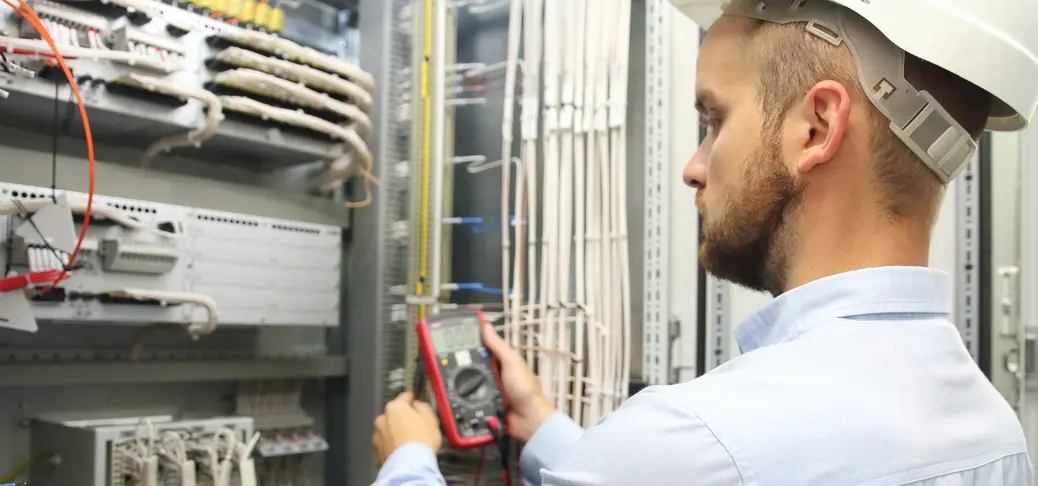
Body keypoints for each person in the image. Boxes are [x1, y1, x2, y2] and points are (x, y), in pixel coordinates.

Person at [371, 0, 1038, 484]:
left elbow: (692, 459)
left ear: (816, 126)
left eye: (714, 119)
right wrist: (545, 427)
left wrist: (408, 458)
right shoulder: (996, 436)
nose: (694, 166)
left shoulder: (701, 435)